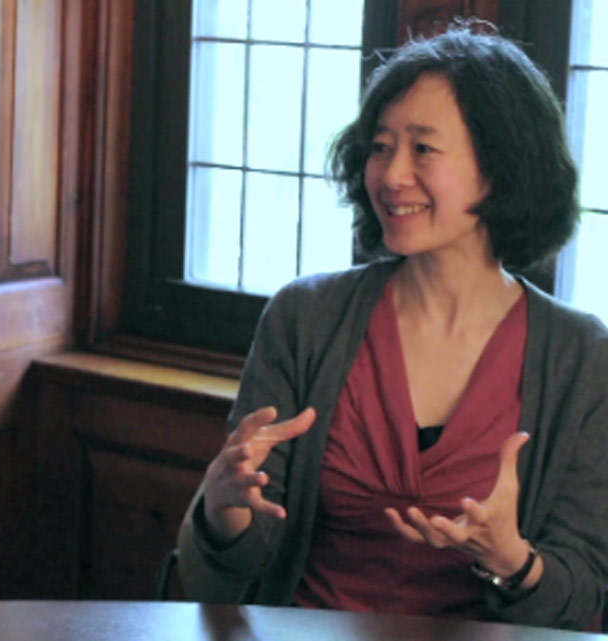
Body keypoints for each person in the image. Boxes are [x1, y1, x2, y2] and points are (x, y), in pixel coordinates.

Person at [177, 23, 608, 631]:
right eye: (381, 147)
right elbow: (225, 575)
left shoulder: (583, 356)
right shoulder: (306, 318)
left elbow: (585, 595)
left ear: (502, 167)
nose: (391, 174)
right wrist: (222, 510)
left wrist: (510, 560)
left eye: (423, 149)